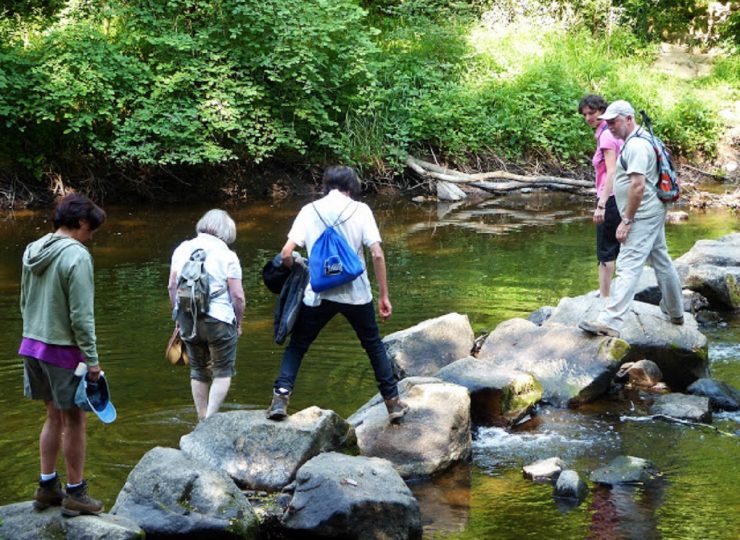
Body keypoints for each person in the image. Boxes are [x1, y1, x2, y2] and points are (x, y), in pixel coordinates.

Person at [266, 166, 409, 423]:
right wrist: (384, 295)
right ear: (351, 187)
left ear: (326, 185)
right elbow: (376, 253)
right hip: (357, 293)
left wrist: (300, 270)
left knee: (298, 345)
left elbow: (286, 254)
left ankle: (280, 397)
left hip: (318, 294)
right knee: (373, 346)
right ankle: (393, 404)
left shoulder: (309, 211)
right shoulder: (361, 210)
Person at [19, 192, 107, 516]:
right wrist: (93, 361)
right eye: (91, 230)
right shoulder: (77, 256)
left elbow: (24, 301)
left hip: (31, 344)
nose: (91, 237)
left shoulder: (33, 249)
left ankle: (46, 487)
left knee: (52, 415)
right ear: (81, 222)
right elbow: (81, 317)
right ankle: (75, 493)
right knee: (75, 420)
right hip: (62, 350)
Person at [578, 100, 684, 338]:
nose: (610, 126)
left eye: (614, 121)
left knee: (627, 263)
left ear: (628, 119)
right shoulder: (641, 138)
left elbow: (637, 186)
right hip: (653, 208)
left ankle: (611, 321)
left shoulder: (636, 146)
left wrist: (626, 220)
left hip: (643, 212)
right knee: (661, 259)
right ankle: (676, 312)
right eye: (607, 122)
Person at [168, 209, 245, 420]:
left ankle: (201, 418)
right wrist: (238, 322)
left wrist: (178, 318)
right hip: (219, 319)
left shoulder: (182, 249)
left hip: (187, 318)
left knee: (198, 370)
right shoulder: (228, 256)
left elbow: (172, 286)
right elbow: (237, 296)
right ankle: (210, 419)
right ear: (226, 233)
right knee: (222, 371)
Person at [579, 94, 623, 297]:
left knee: (605, 252)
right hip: (619, 195)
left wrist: (602, 204)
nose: (588, 117)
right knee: (617, 246)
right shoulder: (608, 132)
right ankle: (611, 294)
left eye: (593, 112)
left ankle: (604, 299)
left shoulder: (606, 136)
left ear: (603, 111)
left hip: (611, 197)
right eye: (585, 114)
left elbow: (612, 171)